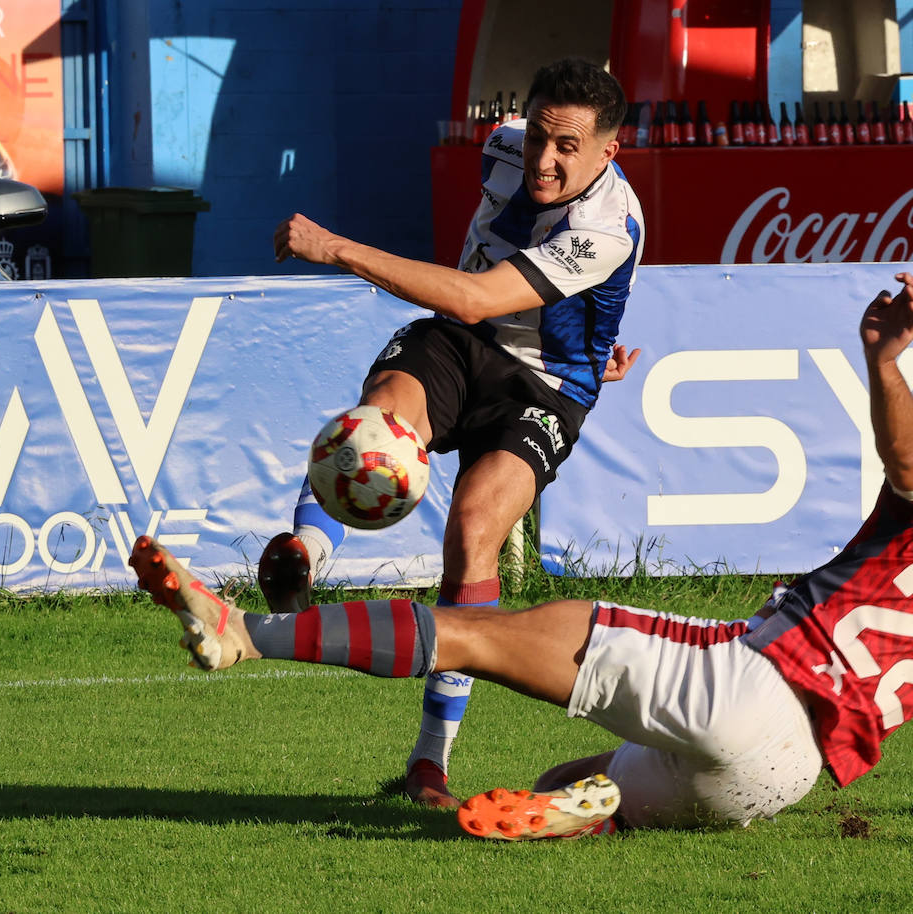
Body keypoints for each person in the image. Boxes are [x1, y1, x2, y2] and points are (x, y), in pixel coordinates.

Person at [130, 272, 913, 839]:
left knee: (475, 632)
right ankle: (585, 812)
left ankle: (244, 633)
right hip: (784, 779)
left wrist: (885, 360)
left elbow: (906, 458)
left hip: (750, 683)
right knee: (565, 784)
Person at [264, 57, 645, 808]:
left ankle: (429, 762)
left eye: (568, 147)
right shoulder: (499, 146)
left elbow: (475, 295)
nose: (543, 159)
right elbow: (469, 306)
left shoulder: (605, 228)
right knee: (380, 420)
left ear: (609, 152)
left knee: (474, 528)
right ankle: (299, 559)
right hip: (459, 343)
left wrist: (337, 248)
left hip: (546, 385)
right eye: (539, 135)